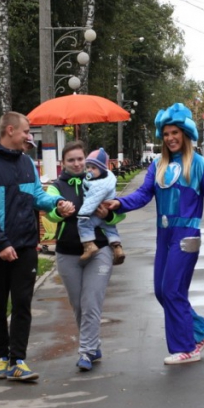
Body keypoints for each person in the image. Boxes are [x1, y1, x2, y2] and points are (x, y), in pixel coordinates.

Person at [108, 103, 204, 365]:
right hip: (164, 235)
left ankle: (187, 348)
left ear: (185, 133)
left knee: (172, 290)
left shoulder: (199, 164)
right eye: (166, 133)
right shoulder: (158, 165)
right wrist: (118, 203)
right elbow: (142, 195)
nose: (171, 138)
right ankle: (200, 332)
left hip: (186, 235)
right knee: (163, 292)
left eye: (175, 132)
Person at [0, 111, 74, 381]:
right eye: (27, 131)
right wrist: (1, 244)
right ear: (11, 130)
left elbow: (37, 195)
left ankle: (18, 360)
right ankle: (1, 357)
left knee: (23, 303)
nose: (29, 136)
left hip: (26, 245)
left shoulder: (27, 162)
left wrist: (56, 203)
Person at [45, 141, 125, 371]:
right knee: (79, 305)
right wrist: (58, 211)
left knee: (91, 302)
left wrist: (108, 215)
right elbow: (49, 216)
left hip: (100, 251)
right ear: (63, 164)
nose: (78, 163)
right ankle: (93, 345)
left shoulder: (101, 180)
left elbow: (120, 216)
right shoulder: (56, 187)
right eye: (71, 160)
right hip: (67, 254)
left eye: (81, 159)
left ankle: (87, 352)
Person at [77, 147, 125, 264]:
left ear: (102, 169)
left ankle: (89, 245)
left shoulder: (98, 184)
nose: (89, 170)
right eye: (88, 167)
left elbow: (92, 200)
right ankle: (117, 248)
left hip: (96, 212)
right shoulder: (109, 178)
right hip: (107, 212)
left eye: (94, 168)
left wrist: (84, 213)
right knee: (110, 228)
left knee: (83, 224)